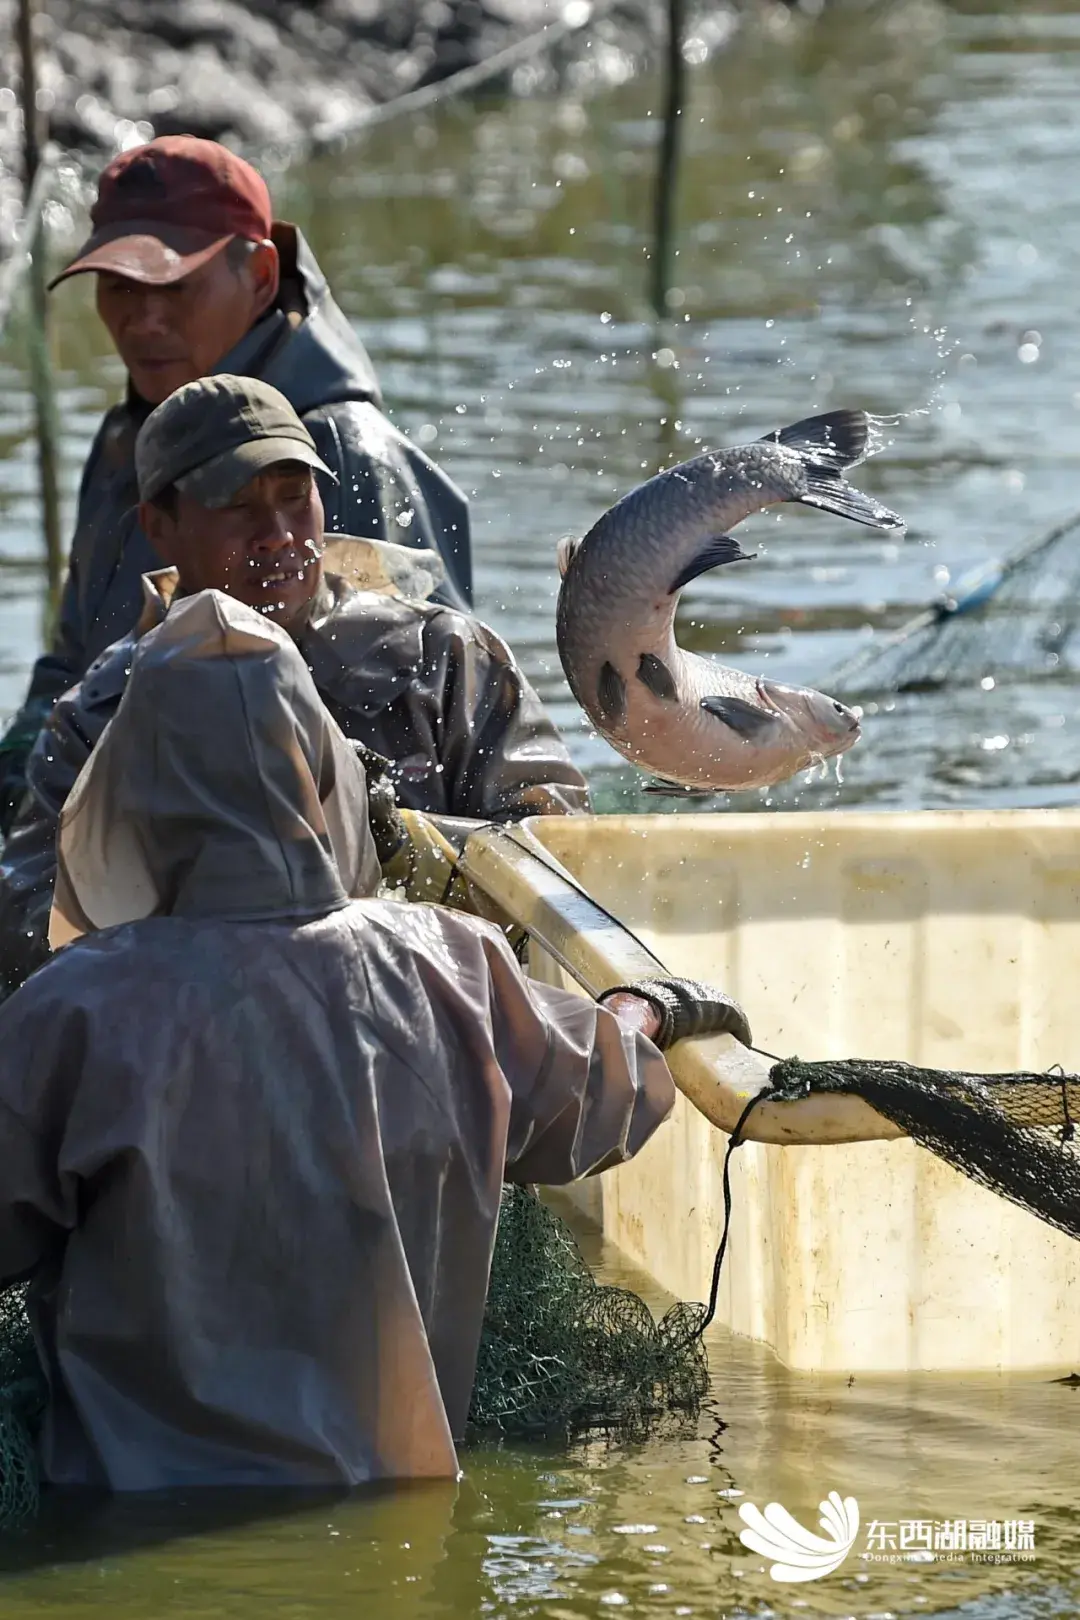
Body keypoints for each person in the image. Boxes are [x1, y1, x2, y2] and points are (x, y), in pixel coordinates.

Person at [0, 590, 749, 1489]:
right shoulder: (451, 968)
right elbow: (605, 1097)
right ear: (324, 768)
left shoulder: (71, 1013)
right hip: (404, 1522)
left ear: (133, 787)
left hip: (126, 1528)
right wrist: (644, 1013)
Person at [0, 374, 588, 999]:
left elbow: (561, 862)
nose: (278, 533)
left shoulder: (441, 658)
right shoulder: (102, 715)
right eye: (238, 505)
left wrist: (397, 841)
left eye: (295, 494)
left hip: (425, 1025)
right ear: (159, 525)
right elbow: (30, 930)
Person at [0, 134, 474, 830]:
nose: (141, 318)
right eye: (119, 287)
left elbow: (445, 712)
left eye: (172, 285)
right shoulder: (124, 445)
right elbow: (72, 663)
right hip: (117, 819)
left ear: (257, 276)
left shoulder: (346, 450)